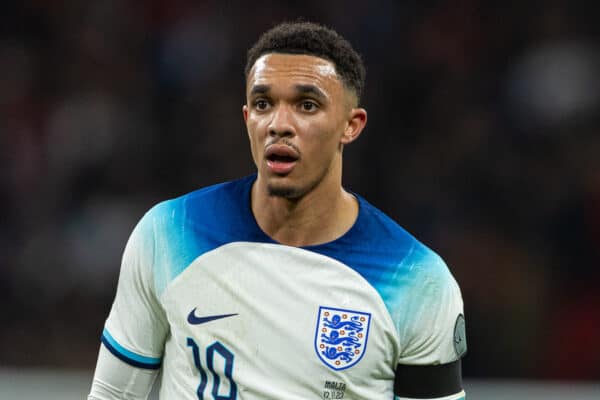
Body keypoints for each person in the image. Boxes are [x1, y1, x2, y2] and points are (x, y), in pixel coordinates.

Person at [88, 21, 467, 400]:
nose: (279, 125)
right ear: (247, 118)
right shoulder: (168, 233)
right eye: (263, 104)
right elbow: (112, 395)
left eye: (307, 105)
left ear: (351, 126)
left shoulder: (418, 280)